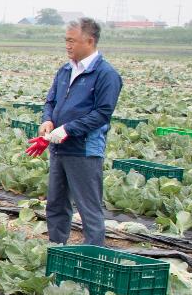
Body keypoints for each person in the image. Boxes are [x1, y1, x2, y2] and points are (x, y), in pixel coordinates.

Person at [27, 17, 123, 246]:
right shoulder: (65, 71)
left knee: (88, 206)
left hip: (84, 149)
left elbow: (102, 113)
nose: (68, 45)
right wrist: (48, 121)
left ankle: (93, 255)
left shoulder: (106, 74)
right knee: (56, 203)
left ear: (89, 41)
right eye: (66, 40)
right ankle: (57, 247)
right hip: (59, 147)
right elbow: (50, 101)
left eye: (72, 41)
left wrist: (69, 129)